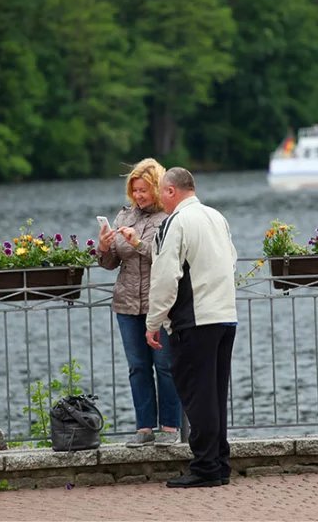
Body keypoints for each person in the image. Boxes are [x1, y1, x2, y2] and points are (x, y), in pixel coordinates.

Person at [145, 167, 238, 488]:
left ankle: (205, 468)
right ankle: (219, 464)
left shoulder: (177, 222)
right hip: (225, 316)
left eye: (160, 192)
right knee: (215, 395)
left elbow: (165, 275)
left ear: (172, 191)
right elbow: (232, 260)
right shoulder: (216, 217)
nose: (159, 198)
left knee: (198, 397)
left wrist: (153, 321)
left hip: (194, 321)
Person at [97, 158, 182, 447]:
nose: (138, 196)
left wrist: (137, 244)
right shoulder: (124, 217)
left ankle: (170, 428)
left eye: (144, 190)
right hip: (126, 304)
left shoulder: (169, 219)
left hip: (159, 305)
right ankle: (144, 428)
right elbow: (110, 264)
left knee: (165, 366)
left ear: (158, 189)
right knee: (137, 367)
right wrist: (104, 247)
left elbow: (166, 259)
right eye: (134, 190)